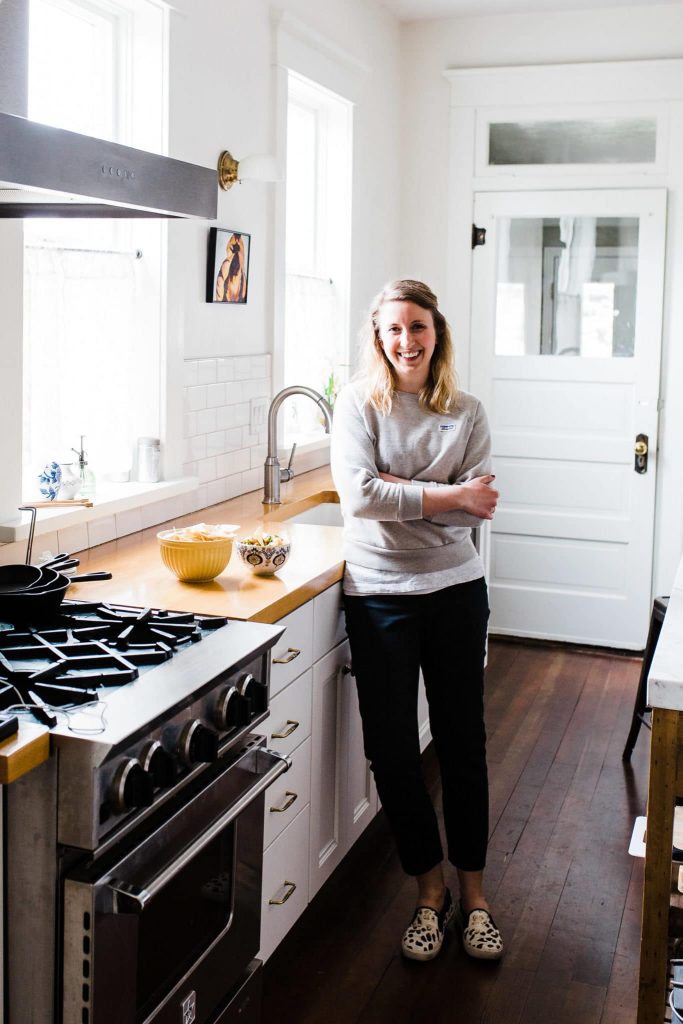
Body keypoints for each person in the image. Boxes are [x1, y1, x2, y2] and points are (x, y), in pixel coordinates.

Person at [330, 279, 504, 963]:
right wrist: (447, 494)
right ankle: (429, 891)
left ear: (437, 333)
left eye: (418, 327)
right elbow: (360, 495)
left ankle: (476, 897)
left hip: (456, 591)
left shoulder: (467, 411)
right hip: (378, 596)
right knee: (393, 752)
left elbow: (479, 506)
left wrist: (430, 499)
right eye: (393, 329)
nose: (406, 341)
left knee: (463, 746)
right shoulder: (357, 404)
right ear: (378, 337)